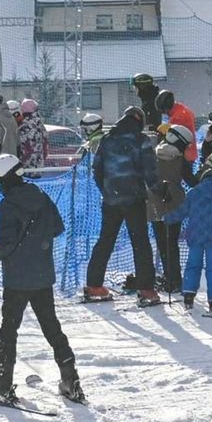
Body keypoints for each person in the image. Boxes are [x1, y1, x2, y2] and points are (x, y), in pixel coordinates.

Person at [0, 154, 83, 403]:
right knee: (52, 328)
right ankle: (70, 381)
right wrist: (37, 241)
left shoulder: (8, 206)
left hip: (17, 281)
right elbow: (57, 228)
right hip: (42, 277)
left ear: (7, 179)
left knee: (9, 331)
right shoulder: (40, 196)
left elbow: (6, 245)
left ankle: (4, 385)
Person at [85, 107, 161, 306]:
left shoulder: (107, 139)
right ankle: (146, 289)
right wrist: (160, 190)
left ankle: (93, 285)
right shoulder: (140, 140)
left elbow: (97, 169)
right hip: (134, 199)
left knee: (105, 241)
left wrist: (107, 190)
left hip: (111, 199)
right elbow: (150, 171)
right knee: (140, 243)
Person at [169, 165, 212, 314]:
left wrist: (168, 218)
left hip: (195, 235)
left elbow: (182, 211)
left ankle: (188, 295)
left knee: (193, 264)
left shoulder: (194, 192)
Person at [147, 124, 194, 294]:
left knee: (162, 243)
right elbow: (191, 181)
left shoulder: (154, 154)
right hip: (174, 203)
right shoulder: (181, 160)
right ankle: (175, 280)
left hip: (154, 203)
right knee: (172, 243)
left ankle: (169, 278)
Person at [155, 90, 197, 163]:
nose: (164, 113)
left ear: (166, 106)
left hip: (184, 156)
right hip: (189, 153)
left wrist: (161, 134)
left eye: (163, 110)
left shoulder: (179, 116)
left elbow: (173, 138)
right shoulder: (181, 109)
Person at [17, 99, 48, 172]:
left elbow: (20, 143)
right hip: (38, 164)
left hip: (26, 165)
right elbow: (45, 140)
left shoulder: (23, 125)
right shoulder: (39, 123)